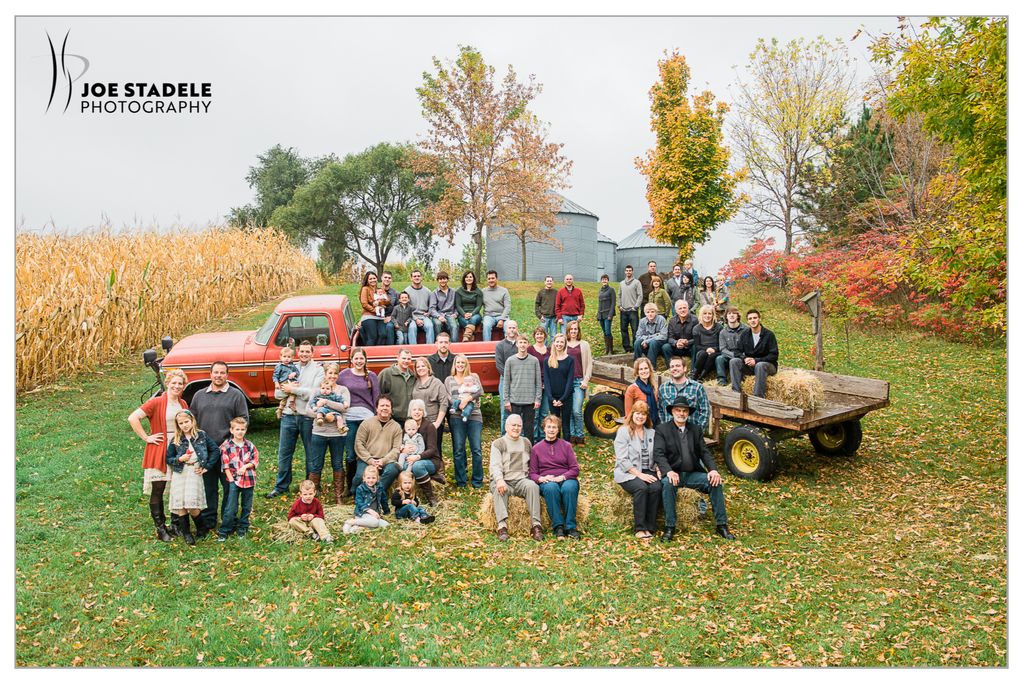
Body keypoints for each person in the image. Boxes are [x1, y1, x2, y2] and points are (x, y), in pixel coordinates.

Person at [654, 399, 735, 542]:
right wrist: (668, 471)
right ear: (672, 411)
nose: (681, 413)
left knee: (714, 482)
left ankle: (721, 525)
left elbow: (704, 452)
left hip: (692, 474)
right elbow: (658, 454)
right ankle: (669, 527)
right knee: (667, 484)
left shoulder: (695, 429)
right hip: (675, 474)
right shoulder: (662, 429)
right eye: (678, 410)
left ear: (688, 413)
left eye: (684, 411)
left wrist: (713, 470)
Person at [127, 368, 188, 542]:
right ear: (167, 383)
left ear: (183, 386)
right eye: (173, 383)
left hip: (177, 448)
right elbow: (133, 417)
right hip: (160, 447)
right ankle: (160, 528)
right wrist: (146, 437)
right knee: (159, 488)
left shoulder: (183, 404)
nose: (176, 386)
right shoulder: (157, 402)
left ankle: (176, 524)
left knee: (177, 487)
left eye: (180, 383)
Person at [190, 361, 249, 538]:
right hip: (206, 451)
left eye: (222, 373)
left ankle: (228, 520)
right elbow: (192, 421)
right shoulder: (199, 395)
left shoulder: (235, 395)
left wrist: (230, 441)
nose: (219, 376)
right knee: (209, 487)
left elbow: (243, 420)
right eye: (216, 372)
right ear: (210, 374)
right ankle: (208, 521)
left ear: (227, 375)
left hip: (227, 451)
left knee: (229, 486)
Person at [266, 341, 323, 499]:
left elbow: (315, 393)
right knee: (284, 453)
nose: (304, 354)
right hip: (288, 415)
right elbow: (277, 394)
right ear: (297, 353)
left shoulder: (318, 370)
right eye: (302, 351)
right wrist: (291, 391)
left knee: (311, 453)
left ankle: (311, 486)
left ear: (312, 353)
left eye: (307, 351)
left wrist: (293, 390)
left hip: (307, 416)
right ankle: (281, 486)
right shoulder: (288, 366)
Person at [165, 410, 219, 545]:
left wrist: (207, 466)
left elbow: (215, 450)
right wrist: (179, 458)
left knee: (192, 504)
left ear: (192, 421)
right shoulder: (176, 439)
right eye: (181, 423)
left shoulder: (201, 435)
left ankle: (202, 527)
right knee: (181, 504)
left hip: (194, 471)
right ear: (178, 425)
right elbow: (168, 458)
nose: (184, 425)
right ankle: (187, 533)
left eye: (186, 422)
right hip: (180, 472)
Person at [489, 414, 543, 542]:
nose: (516, 428)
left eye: (519, 425)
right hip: (504, 480)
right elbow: (495, 465)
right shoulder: (498, 443)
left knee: (533, 487)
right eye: (513, 425)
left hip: (521, 481)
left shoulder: (526, 442)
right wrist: (499, 480)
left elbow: (532, 464)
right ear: (506, 427)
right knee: (499, 490)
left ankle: (536, 525)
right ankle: (502, 527)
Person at [336, 348, 379, 499]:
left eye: (362, 358)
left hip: (366, 418)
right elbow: (335, 391)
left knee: (365, 451)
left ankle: (363, 484)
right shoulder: (343, 375)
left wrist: (376, 417)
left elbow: (376, 398)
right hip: (349, 417)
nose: (359, 361)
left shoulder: (371, 376)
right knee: (350, 453)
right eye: (356, 358)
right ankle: (349, 486)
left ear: (365, 360)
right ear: (351, 359)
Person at [613, 400, 661, 539]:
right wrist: (639, 475)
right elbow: (622, 460)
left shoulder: (651, 433)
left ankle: (650, 527)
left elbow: (657, 454)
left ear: (647, 417)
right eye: (637, 413)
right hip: (628, 472)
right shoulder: (623, 432)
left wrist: (658, 468)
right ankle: (639, 528)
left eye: (643, 414)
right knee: (641, 488)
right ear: (632, 414)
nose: (640, 417)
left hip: (648, 470)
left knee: (656, 487)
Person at [530, 415, 582, 539]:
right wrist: (541, 479)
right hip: (547, 480)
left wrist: (563, 477)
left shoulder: (566, 446)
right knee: (551, 488)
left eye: (554, 427)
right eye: (549, 427)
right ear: (544, 429)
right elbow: (532, 473)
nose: (551, 430)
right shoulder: (536, 448)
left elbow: (575, 469)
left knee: (569, 488)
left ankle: (570, 527)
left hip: (565, 478)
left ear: (558, 430)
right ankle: (558, 526)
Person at [308, 362, 350, 502]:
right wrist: (325, 416)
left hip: (337, 434)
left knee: (337, 463)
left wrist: (325, 402)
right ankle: (311, 496)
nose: (332, 376)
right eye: (329, 373)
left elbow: (344, 408)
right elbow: (308, 410)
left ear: (338, 375)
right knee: (315, 464)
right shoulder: (317, 390)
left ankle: (338, 496)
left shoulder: (343, 390)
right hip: (319, 432)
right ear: (325, 374)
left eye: (335, 373)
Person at [444, 354, 484, 488]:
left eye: (463, 362)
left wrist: (467, 399)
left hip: (474, 416)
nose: (460, 365)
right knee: (459, 449)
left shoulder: (474, 377)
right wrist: (458, 403)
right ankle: (461, 481)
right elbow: (448, 397)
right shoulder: (449, 380)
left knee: (476, 449)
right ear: (454, 364)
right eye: (458, 362)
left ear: (466, 364)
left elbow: (480, 391)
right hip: (457, 417)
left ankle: (477, 480)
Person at [217, 416, 259, 542]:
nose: (240, 432)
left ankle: (243, 528)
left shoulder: (250, 446)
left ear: (245, 430)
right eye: (237, 429)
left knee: (247, 505)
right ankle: (225, 530)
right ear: (231, 430)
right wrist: (231, 481)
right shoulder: (226, 447)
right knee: (231, 507)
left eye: (242, 429)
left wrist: (246, 466)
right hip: (234, 480)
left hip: (249, 479)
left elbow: (255, 460)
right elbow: (225, 466)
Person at [352, 396, 402, 495]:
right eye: (382, 405)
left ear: (391, 409)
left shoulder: (396, 427)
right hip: (367, 459)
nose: (385, 408)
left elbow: (396, 449)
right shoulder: (366, 424)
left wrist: (383, 461)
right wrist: (371, 460)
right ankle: (355, 492)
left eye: (387, 406)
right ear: (377, 408)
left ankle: (375, 494)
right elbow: (359, 444)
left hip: (386, 460)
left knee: (392, 470)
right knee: (359, 476)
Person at [729, 309, 779, 398]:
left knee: (760, 365)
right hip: (750, 366)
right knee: (734, 361)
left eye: (755, 318)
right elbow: (737, 351)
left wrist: (756, 360)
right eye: (750, 318)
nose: (753, 320)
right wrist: (745, 358)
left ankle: (758, 397)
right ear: (747, 321)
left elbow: (774, 355)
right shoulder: (745, 334)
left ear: (759, 319)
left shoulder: (769, 335)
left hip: (767, 366)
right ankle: (736, 394)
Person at [503, 334, 542, 440]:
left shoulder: (534, 361)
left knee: (529, 430)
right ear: (516, 344)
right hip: (514, 400)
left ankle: (529, 453)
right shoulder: (510, 361)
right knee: (514, 429)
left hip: (530, 401)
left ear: (528, 344)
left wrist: (537, 399)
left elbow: (538, 381)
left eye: (525, 342)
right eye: (520, 342)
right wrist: (506, 400)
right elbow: (506, 382)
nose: (523, 345)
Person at [404, 399, 443, 505]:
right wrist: (403, 449)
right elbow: (401, 443)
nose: (417, 412)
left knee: (417, 466)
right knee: (402, 466)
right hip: (411, 457)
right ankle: (407, 497)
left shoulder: (429, 426)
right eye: (414, 409)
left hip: (431, 460)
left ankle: (430, 497)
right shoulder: (407, 425)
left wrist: (417, 457)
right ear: (410, 411)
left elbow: (432, 449)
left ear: (423, 412)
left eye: (420, 410)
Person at [657, 356, 711, 431]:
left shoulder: (697, 387)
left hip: (690, 434)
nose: (674, 368)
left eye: (677, 366)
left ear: (685, 368)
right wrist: (665, 429)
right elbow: (660, 410)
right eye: (672, 367)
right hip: (669, 434)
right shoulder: (663, 388)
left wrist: (698, 432)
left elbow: (705, 410)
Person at [426, 333, 454, 465]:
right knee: (436, 439)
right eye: (441, 342)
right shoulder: (429, 361)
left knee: (458, 439)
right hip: (437, 406)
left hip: (454, 404)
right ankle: (438, 467)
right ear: (436, 344)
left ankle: (460, 470)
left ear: (449, 344)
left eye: (446, 342)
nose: (443, 345)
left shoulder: (455, 360)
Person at [564, 319, 593, 446]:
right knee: (569, 410)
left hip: (579, 381)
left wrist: (586, 380)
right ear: (568, 331)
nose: (573, 331)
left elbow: (589, 364)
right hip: (566, 382)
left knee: (576, 410)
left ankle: (580, 436)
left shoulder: (584, 344)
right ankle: (572, 436)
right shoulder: (563, 345)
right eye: (571, 329)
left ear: (578, 330)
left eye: (575, 329)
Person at [543, 333, 576, 439]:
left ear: (565, 344)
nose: (559, 344)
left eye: (562, 342)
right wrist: (551, 398)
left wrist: (562, 399)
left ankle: (566, 448)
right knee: (555, 425)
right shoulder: (548, 360)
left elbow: (570, 381)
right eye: (557, 341)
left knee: (565, 424)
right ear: (554, 343)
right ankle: (556, 448)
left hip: (566, 397)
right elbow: (546, 381)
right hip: (553, 398)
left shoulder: (570, 360)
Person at [344, 465, 390, 534]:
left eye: (373, 478)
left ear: (377, 478)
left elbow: (383, 500)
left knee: (386, 525)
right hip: (363, 513)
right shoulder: (360, 489)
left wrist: (387, 511)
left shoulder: (379, 487)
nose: (371, 480)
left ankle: (358, 527)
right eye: (368, 478)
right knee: (375, 523)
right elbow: (359, 503)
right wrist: (370, 511)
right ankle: (352, 522)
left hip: (374, 514)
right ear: (364, 478)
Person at [494, 319, 519, 432]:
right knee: (505, 409)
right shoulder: (500, 345)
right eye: (510, 327)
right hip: (505, 380)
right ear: (506, 330)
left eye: (514, 327)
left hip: (520, 381)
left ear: (517, 329)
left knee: (518, 408)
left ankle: (518, 434)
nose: (512, 330)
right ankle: (504, 435)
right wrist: (510, 377)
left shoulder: (521, 344)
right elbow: (499, 365)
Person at [378, 348, 416, 424]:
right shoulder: (386, 373)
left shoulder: (413, 376)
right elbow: (378, 394)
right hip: (391, 418)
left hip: (409, 418)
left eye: (409, 359)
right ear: (398, 358)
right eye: (404, 358)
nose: (406, 361)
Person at [527, 326, 551, 443]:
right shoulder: (530, 350)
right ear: (534, 336)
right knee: (535, 414)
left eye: (541, 334)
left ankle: (543, 438)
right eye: (537, 334)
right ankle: (534, 438)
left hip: (547, 386)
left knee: (544, 413)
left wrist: (546, 383)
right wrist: (538, 384)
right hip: (534, 386)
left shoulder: (550, 350)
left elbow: (552, 368)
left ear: (545, 336)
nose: (539, 336)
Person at [624, 356, 660, 426]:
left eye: (646, 368)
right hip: (639, 426)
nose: (644, 371)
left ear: (650, 370)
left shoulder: (654, 387)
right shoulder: (632, 389)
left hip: (654, 425)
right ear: (637, 372)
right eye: (641, 369)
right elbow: (628, 414)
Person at [690, 305, 723, 382]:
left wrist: (714, 349)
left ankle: (702, 377)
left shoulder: (719, 327)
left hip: (716, 351)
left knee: (712, 356)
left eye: (709, 313)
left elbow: (722, 344)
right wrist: (707, 349)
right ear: (701, 315)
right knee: (702, 354)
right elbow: (697, 345)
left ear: (713, 315)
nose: (707, 316)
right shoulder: (696, 328)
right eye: (705, 313)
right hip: (702, 350)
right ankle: (694, 375)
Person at [717, 306, 747, 387]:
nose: (732, 315)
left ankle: (743, 378)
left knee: (736, 361)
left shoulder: (746, 329)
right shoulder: (723, 332)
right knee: (719, 358)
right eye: (729, 313)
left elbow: (749, 345)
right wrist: (733, 355)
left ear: (738, 316)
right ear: (726, 316)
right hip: (729, 355)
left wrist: (741, 356)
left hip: (742, 355)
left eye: (734, 313)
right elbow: (723, 349)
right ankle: (722, 380)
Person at [404, 269, 436, 345]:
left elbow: (432, 306)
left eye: (418, 276)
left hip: (424, 316)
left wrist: (429, 313)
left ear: (421, 277)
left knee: (430, 326)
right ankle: (413, 350)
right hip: (411, 316)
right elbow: (406, 309)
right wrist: (416, 319)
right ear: (411, 278)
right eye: (414, 276)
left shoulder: (427, 291)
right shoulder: (407, 291)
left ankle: (430, 349)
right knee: (412, 328)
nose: (417, 278)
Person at [664, 299, 697, 370]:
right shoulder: (672, 321)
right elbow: (669, 338)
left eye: (684, 308)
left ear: (688, 309)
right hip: (677, 348)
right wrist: (676, 343)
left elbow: (697, 338)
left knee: (695, 346)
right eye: (680, 308)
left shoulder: (695, 320)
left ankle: (693, 371)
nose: (682, 310)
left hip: (689, 348)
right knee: (665, 347)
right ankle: (671, 369)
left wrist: (688, 342)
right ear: (676, 311)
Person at [618, 264, 643, 354]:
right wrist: (619, 305)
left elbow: (640, 295)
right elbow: (619, 295)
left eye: (630, 270)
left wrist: (636, 306)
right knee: (624, 329)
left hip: (633, 310)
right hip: (623, 310)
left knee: (635, 330)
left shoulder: (637, 282)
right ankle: (627, 348)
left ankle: (636, 347)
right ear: (625, 272)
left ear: (632, 271)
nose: (628, 272)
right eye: (627, 270)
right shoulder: (621, 283)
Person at [481, 270, 512, 342]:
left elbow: (507, 306)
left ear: (496, 279)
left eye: (493, 278)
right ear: (487, 280)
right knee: (486, 325)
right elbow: (478, 304)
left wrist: (502, 319)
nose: (491, 280)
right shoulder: (483, 292)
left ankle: (509, 347)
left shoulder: (504, 291)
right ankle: (486, 346)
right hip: (489, 316)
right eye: (489, 279)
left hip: (502, 315)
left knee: (509, 326)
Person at [454, 270, 483, 342]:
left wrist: (472, 314)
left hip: (475, 314)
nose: (469, 278)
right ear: (464, 279)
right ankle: (471, 337)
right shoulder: (459, 291)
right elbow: (458, 305)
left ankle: (466, 337)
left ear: (473, 279)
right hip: (462, 315)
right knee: (467, 323)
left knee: (472, 319)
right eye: (467, 277)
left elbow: (479, 306)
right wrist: (464, 314)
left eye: (470, 277)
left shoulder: (478, 291)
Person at [357, 271, 385, 346]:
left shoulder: (379, 290)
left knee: (383, 334)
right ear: (367, 280)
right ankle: (368, 354)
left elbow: (387, 301)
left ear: (377, 278)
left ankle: (377, 352)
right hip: (368, 316)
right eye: (370, 279)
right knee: (373, 336)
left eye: (374, 278)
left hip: (379, 317)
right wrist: (375, 310)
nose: (373, 280)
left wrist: (380, 303)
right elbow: (364, 304)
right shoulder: (365, 289)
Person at [429, 271, 459, 339]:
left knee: (454, 326)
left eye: (444, 279)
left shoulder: (453, 292)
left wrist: (456, 314)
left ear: (447, 280)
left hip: (450, 314)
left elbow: (457, 306)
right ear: (438, 280)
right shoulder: (434, 293)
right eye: (440, 279)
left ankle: (454, 347)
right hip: (438, 315)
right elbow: (432, 309)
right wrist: (439, 316)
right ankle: (438, 344)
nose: (442, 281)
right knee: (438, 324)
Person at [273, 346, 300, 419]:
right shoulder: (279, 366)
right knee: (294, 390)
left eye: (289, 357)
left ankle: (280, 409)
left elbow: (297, 372)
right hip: (284, 383)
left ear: (292, 358)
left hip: (292, 381)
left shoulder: (292, 366)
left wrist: (294, 373)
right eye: (284, 356)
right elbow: (275, 376)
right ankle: (291, 403)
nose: (286, 358)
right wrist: (276, 383)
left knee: (286, 397)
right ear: (280, 357)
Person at [596, 274, 616, 355]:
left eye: (606, 279)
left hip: (608, 314)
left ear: (608, 281)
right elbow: (599, 303)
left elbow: (613, 303)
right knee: (604, 332)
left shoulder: (611, 290)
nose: (604, 281)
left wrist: (610, 314)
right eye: (603, 279)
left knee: (608, 331)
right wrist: (598, 314)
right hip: (601, 314)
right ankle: (607, 349)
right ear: (601, 281)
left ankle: (611, 350)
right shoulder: (600, 291)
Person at [534, 275, 558, 344]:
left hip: (554, 318)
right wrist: (539, 315)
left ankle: (553, 351)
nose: (549, 282)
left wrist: (557, 316)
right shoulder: (541, 292)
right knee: (543, 336)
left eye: (550, 281)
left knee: (553, 336)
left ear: (553, 282)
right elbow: (537, 305)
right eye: (548, 281)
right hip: (544, 318)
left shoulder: (556, 292)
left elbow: (559, 305)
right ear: (545, 282)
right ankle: (543, 351)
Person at [379, 271, 400, 345]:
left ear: (391, 280)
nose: (387, 279)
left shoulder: (396, 293)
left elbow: (398, 308)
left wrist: (390, 317)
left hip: (390, 317)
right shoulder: (376, 291)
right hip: (377, 317)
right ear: (381, 278)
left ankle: (390, 348)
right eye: (385, 277)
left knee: (389, 326)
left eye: (389, 278)